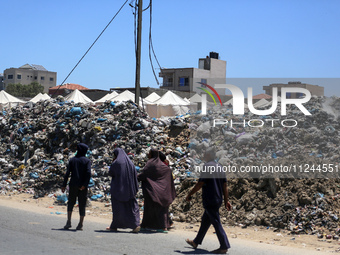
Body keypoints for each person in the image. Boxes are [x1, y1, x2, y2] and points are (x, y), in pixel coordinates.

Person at [185, 147, 231, 254]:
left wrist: (190, 194)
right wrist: (226, 201)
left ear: (209, 155)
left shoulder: (207, 167)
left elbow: (200, 183)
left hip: (210, 199)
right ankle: (196, 242)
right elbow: (225, 186)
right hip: (217, 199)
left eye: (205, 154)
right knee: (205, 220)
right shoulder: (220, 167)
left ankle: (224, 246)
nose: (203, 156)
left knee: (216, 222)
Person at [138, 148, 176, 232]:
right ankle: (163, 227)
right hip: (163, 192)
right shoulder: (163, 166)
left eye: (149, 153)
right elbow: (168, 172)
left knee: (149, 209)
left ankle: (146, 225)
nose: (148, 154)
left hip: (152, 192)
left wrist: (136, 177)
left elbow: (144, 175)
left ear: (152, 154)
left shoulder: (150, 164)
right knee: (162, 210)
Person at [106, 148, 140, 233]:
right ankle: (135, 225)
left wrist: (113, 162)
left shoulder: (116, 163)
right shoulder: (131, 163)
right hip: (130, 190)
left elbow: (111, 173)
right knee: (131, 207)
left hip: (118, 189)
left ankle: (115, 226)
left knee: (118, 208)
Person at [62, 143, 91, 231]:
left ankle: (68, 222)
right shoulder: (87, 161)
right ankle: (80, 224)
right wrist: (84, 185)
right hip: (82, 186)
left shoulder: (72, 160)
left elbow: (67, 173)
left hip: (73, 184)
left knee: (71, 203)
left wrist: (64, 185)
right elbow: (88, 173)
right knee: (82, 204)